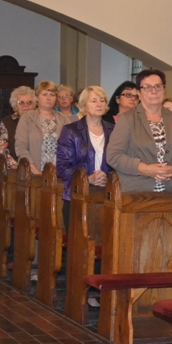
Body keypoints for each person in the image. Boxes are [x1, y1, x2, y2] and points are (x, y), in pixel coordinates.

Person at [107, 70, 172, 192]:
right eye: (147, 87)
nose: (154, 91)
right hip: (137, 193)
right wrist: (146, 169)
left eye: (158, 86)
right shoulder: (126, 119)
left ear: (164, 90)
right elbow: (113, 156)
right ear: (139, 92)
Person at [57, 86, 113, 234]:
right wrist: (87, 179)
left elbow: (119, 163)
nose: (99, 104)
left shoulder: (114, 130)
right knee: (78, 243)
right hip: (77, 195)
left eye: (102, 100)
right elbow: (62, 167)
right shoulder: (70, 130)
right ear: (83, 105)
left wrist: (108, 177)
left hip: (106, 196)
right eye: (93, 101)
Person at [15, 81, 70, 175]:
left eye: (52, 95)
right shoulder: (27, 118)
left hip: (59, 175)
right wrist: (36, 173)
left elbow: (69, 148)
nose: (48, 98)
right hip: (33, 174)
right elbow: (21, 148)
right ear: (36, 97)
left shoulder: (64, 120)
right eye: (44, 94)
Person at [0, 86, 36, 169]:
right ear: (15, 106)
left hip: (39, 167)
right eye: (21, 103)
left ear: (34, 105)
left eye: (29, 102)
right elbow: (1, 151)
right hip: (15, 170)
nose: (25, 106)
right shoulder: (7, 122)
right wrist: (17, 167)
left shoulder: (40, 121)